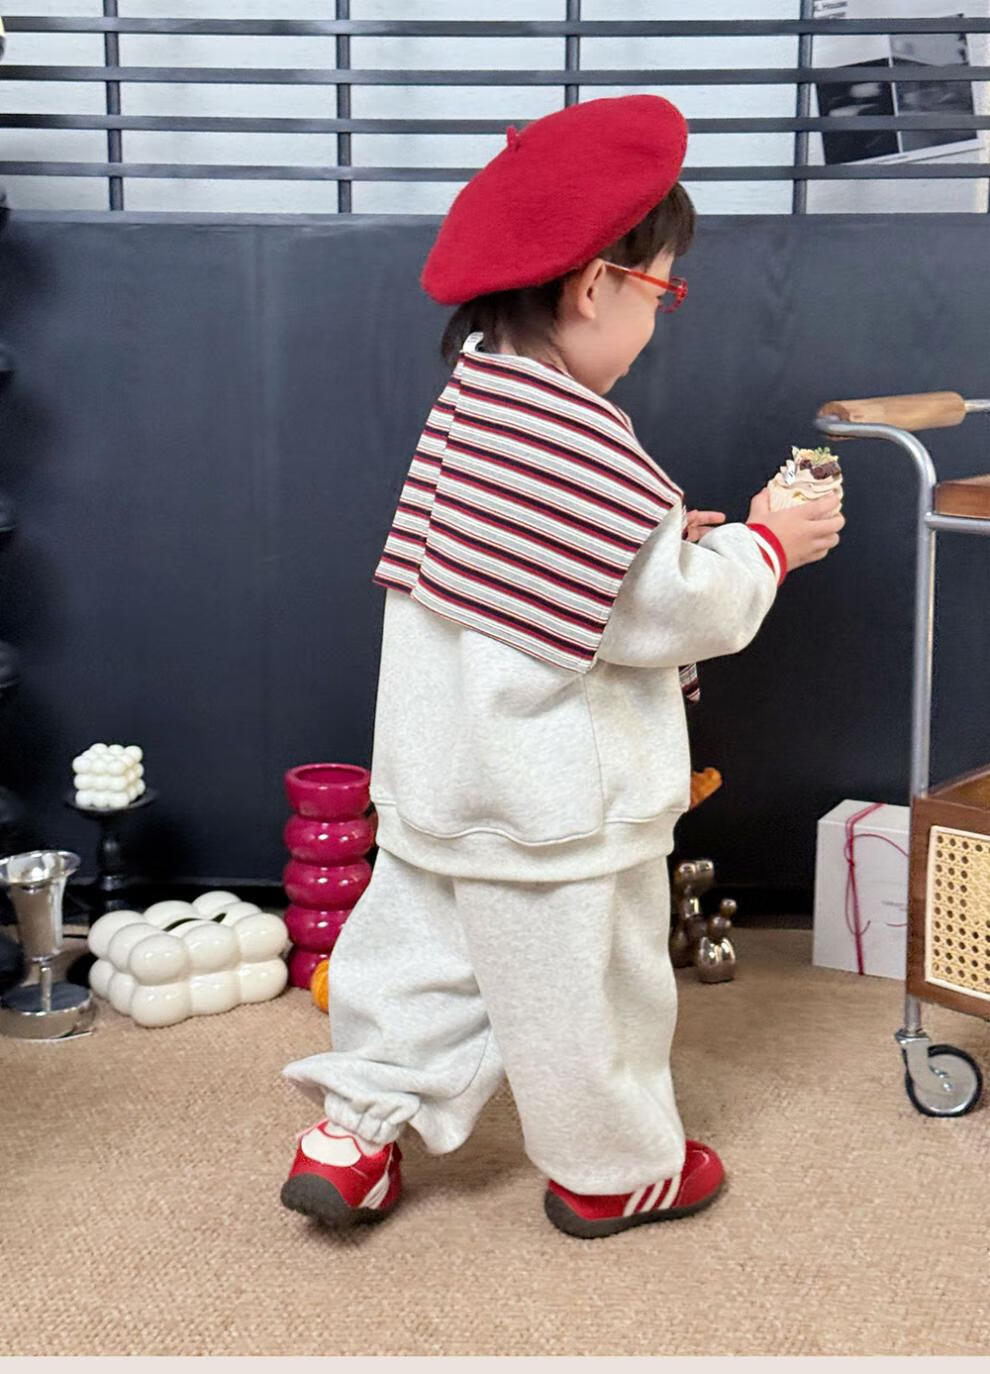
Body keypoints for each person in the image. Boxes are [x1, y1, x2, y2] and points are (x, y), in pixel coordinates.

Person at [279, 95, 843, 1241]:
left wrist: (658, 541)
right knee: (589, 996)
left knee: (415, 965)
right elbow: (673, 610)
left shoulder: (478, 398)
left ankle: (352, 1135)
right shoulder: (585, 444)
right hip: (554, 807)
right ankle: (613, 1169)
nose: (657, 322)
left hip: (440, 780)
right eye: (661, 294)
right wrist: (766, 545)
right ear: (595, 286)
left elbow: (547, 578)